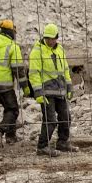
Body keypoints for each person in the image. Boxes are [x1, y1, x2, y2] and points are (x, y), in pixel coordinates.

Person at [29, 23, 75, 155]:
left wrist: (69, 86)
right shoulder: (37, 51)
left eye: (52, 38)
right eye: (47, 38)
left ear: (56, 38)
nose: (50, 41)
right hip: (46, 92)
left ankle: (62, 142)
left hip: (60, 90)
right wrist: (38, 92)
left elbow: (65, 69)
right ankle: (42, 146)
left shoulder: (60, 49)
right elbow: (33, 74)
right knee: (50, 120)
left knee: (66, 117)